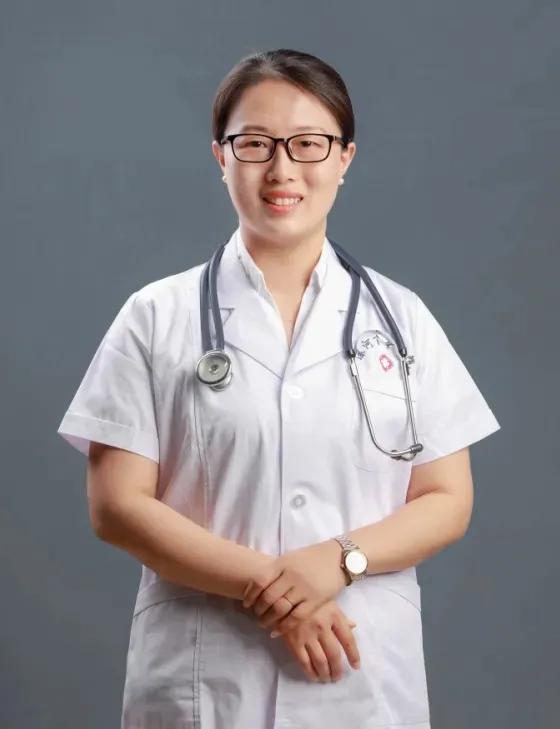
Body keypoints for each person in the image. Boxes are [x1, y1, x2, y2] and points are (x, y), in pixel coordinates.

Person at [57, 48, 501, 729]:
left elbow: (447, 500)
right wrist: (274, 587)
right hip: (206, 680)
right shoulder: (156, 316)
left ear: (345, 158)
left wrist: (339, 560)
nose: (282, 169)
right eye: (256, 143)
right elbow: (117, 506)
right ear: (221, 156)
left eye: (309, 143)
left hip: (362, 682)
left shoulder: (402, 319)